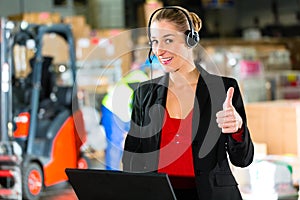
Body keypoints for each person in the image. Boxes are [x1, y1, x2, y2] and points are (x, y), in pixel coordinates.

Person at [122, 6, 254, 200]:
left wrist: (237, 128)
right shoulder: (145, 93)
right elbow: (132, 158)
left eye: (168, 40)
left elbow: (242, 159)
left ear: (190, 40)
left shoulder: (223, 89)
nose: (159, 50)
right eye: (155, 42)